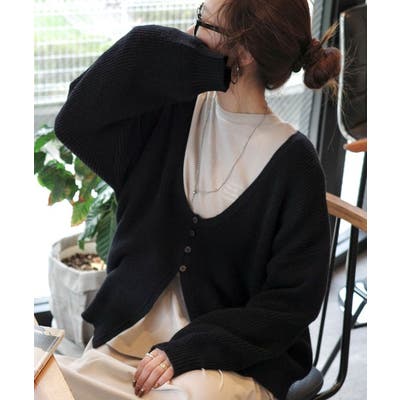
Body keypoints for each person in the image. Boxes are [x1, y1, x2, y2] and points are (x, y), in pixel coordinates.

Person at [53, 0, 340, 399]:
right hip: (128, 341)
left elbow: (288, 306)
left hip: (230, 364)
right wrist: (208, 67)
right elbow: (75, 120)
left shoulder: (296, 165)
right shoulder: (170, 114)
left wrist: (188, 350)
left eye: (202, 21)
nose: (189, 34)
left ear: (244, 51)